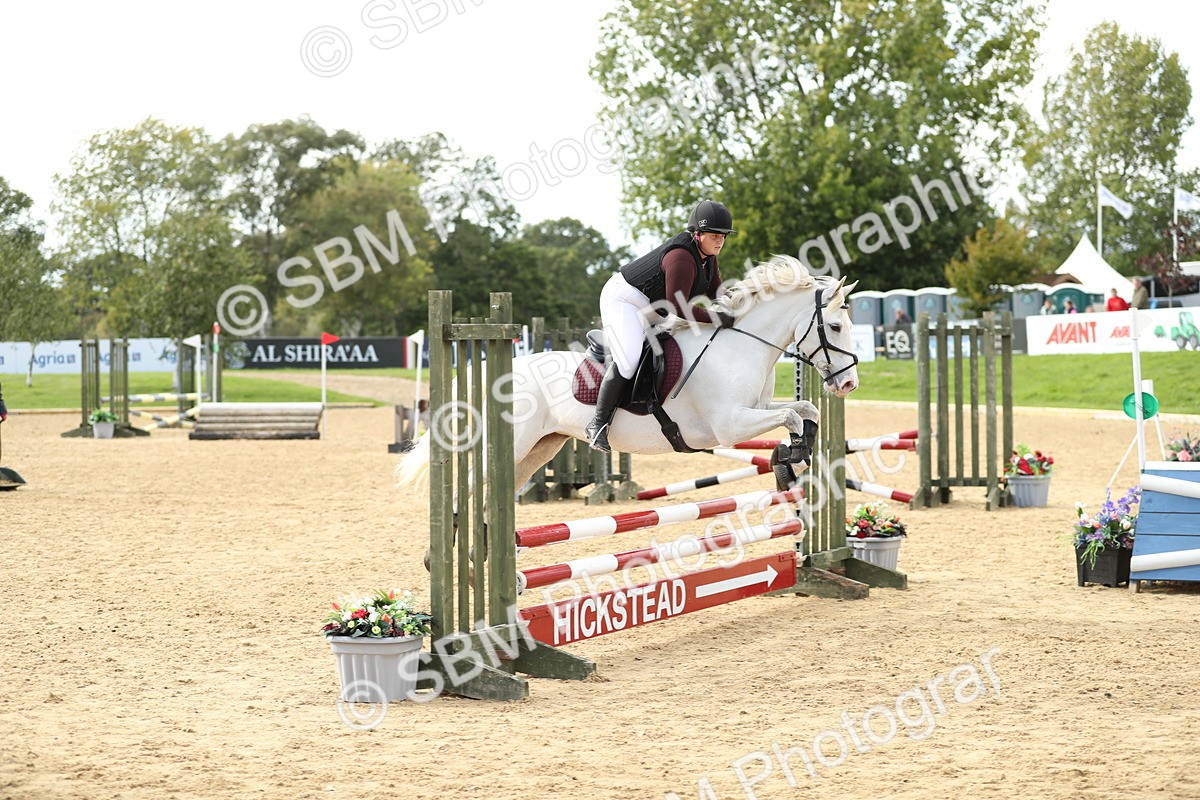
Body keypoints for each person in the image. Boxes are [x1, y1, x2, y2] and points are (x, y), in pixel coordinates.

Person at [585, 200, 736, 452]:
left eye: (723, 236)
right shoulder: (682, 258)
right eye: (714, 236)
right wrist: (717, 318)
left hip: (653, 304)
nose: (720, 241)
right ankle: (598, 424)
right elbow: (677, 307)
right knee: (629, 359)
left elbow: (716, 291)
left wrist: (741, 303)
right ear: (697, 235)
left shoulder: (708, 257)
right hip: (624, 300)